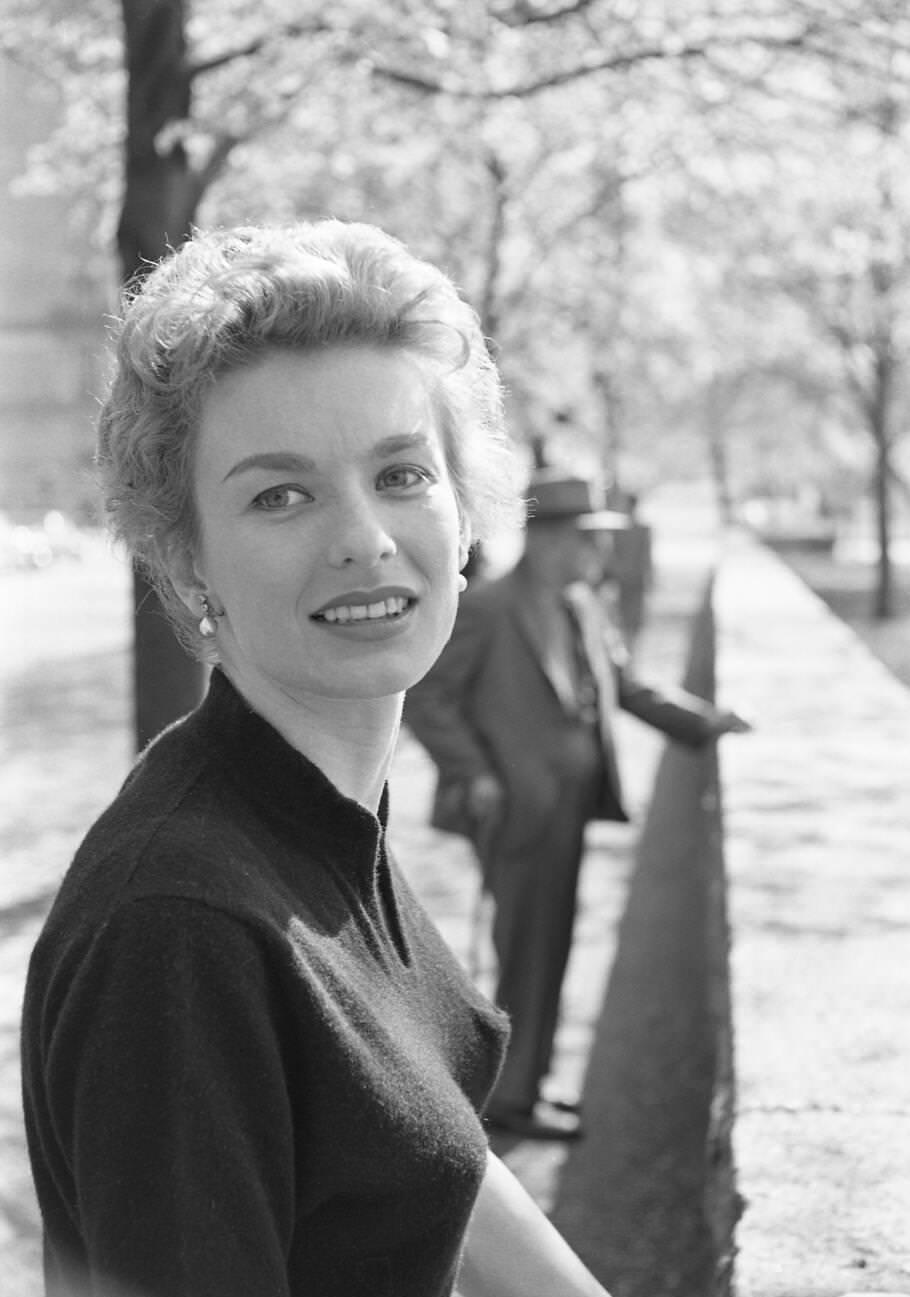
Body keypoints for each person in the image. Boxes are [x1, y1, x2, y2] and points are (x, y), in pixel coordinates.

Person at [20, 222, 612, 1297]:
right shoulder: (181, 934)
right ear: (185, 555)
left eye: (400, 473)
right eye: (278, 494)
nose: (364, 539)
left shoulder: (312, 815)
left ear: (465, 511)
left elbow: (429, 1144)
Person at [404, 469, 751, 1141]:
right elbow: (429, 696)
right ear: (548, 540)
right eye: (587, 539)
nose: (597, 553)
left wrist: (707, 722)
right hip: (515, 810)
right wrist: (473, 771)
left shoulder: (583, 604)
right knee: (528, 947)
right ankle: (509, 1099)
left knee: (550, 941)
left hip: (569, 805)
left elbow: (628, 686)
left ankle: (523, 1083)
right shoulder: (490, 606)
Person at [611, 490, 653, 656]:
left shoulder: (638, 529)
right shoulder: (619, 528)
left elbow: (646, 556)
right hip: (624, 580)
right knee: (623, 621)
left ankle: (629, 655)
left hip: (632, 580)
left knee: (632, 623)